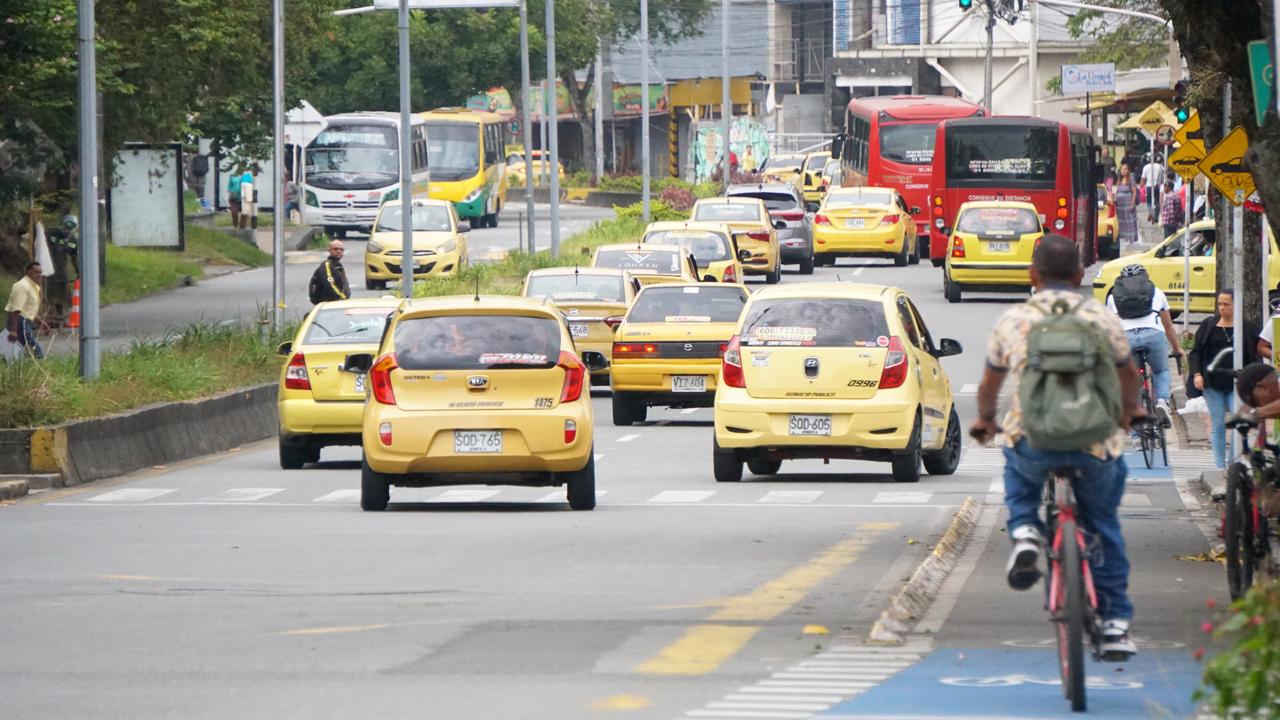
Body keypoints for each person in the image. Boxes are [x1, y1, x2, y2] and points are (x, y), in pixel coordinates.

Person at [970, 234, 1143, 658]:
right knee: (1103, 524)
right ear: (1080, 274)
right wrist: (1129, 411)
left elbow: (991, 382)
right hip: (1094, 443)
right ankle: (1116, 623)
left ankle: (1026, 529)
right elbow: (1128, 375)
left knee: (1016, 462)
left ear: (1033, 275)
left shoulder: (1014, 320)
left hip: (1034, 441)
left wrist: (986, 420)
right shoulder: (1102, 319)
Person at [1188, 291, 1261, 468]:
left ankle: (1233, 463)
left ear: (1236, 306)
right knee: (1218, 423)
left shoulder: (1247, 328)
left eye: (1226, 304)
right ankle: (1220, 465)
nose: (1222, 308)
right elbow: (1196, 351)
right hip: (1212, 383)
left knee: (1237, 423)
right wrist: (1197, 374)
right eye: (1219, 304)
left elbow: (1255, 355)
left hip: (1237, 383)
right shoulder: (1208, 325)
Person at [1107, 265, 1182, 426]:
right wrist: (1177, 348)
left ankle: (1136, 434)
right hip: (1153, 334)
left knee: (1130, 379)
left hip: (1126, 338)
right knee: (1161, 370)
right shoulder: (1157, 292)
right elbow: (1168, 326)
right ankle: (1162, 402)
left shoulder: (1113, 296)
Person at [5, 262, 46, 359]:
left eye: (40, 273)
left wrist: (42, 322)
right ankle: (40, 369)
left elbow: (28, 309)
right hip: (20, 323)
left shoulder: (33, 287)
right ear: (28, 272)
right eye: (36, 272)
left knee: (21, 349)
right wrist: (13, 330)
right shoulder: (22, 286)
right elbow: (15, 310)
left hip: (25, 322)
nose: (39, 275)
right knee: (36, 350)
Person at [308, 240, 350, 305]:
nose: (339, 251)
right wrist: (342, 297)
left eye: (341, 249)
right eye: (335, 249)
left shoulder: (338, 265)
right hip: (328, 303)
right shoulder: (327, 265)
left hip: (337, 302)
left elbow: (344, 285)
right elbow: (330, 285)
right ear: (329, 250)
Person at [1114, 164, 1139, 246]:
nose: (1123, 171)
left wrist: (1132, 203)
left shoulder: (1131, 178)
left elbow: (1134, 191)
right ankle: (1124, 238)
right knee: (1122, 222)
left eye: (1125, 169)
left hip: (1128, 203)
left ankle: (1131, 239)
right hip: (1120, 205)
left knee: (1130, 221)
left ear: (1128, 170)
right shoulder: (1119, 179)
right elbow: (1117, 191)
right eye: (1122, 169)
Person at [1141, 154, 1165, 222]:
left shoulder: (1146, 167)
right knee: (1157, 201)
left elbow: (1143, 178)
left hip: (1149, 186)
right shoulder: (1160, 166)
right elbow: (1164, 172)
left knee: (1148, 202)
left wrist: (1141, 185)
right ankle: (1156, 216)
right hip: (1158, 186)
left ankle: (1151, 213)